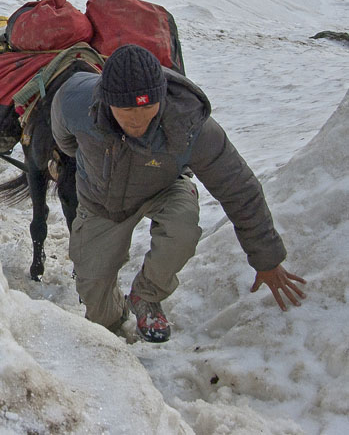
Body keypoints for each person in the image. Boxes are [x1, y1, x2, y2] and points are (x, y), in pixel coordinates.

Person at [51, 44, 306, 343]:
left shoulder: (188, 124)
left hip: (165, 186)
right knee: (95, 294)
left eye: (148, 107)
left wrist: (267, 259)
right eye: (127, 110)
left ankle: (146, 296)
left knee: (182, 228)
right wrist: (92, 167)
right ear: (106, 101)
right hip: (102, 200)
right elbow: (66, 142)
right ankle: (111, 324)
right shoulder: (75, 102)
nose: (138, 120)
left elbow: (239, 188)